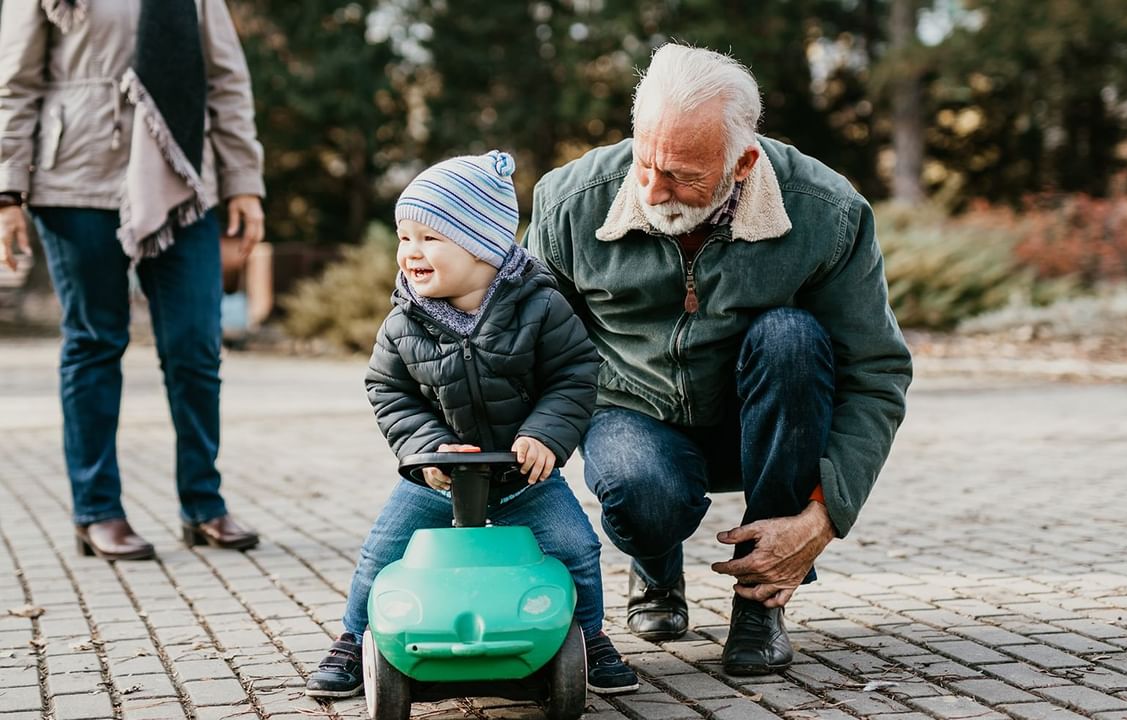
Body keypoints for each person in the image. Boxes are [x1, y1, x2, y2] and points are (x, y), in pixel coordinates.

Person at [523, 44, 913, 676]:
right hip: (630, 409)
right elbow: (527, 343)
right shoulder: (568, 202)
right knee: (640, 493)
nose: (653, 189)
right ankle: (655, 564)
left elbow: (876, 373)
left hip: (761, 420)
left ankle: (762, 602)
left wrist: (823, 517)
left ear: (743, 162)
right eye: (645, 162)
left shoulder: (828, 213)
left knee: (793, 338)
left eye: (681, 175)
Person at [304, 151, 640, 698]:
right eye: (404, 236)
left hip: (523, 478)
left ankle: (590, 635)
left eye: (430, 238)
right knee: (383, 549)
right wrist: (429, 448)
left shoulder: (542, 308)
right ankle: (352, 636)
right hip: (439, 479)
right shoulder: (403, 321)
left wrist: (545, 435)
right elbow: (387, 389)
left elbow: (575, 374)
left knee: (576, 546)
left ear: (483, 244)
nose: (411, 251)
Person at [0, 0, 265, 559]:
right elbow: (15, 82)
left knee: (195, 344)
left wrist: (243, 180)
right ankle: (97, 509)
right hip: (74, 178)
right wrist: (6, 191)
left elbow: (226, 81)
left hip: (183, 182)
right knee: (95, 342)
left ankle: (203, 504)